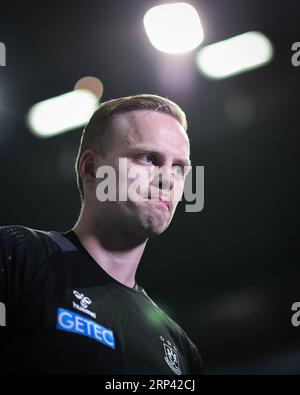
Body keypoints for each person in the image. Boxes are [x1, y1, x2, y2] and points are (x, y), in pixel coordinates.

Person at [0, 94, 202, 375]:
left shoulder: (179, 347)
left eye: (179, 168)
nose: (167, 179)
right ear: (91, 168)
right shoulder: (18, 255)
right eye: (148, 158)